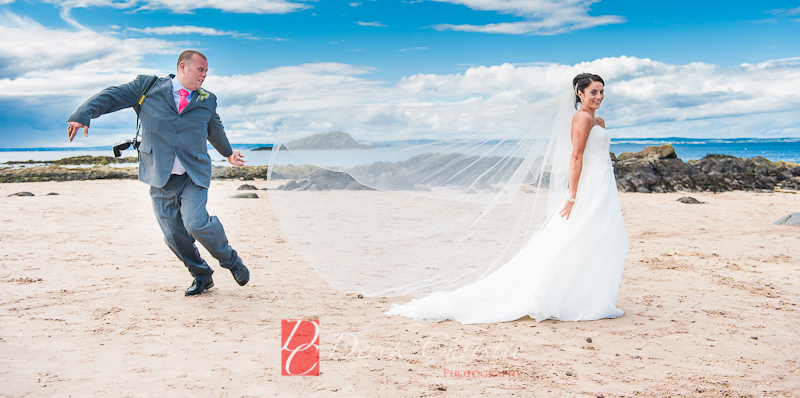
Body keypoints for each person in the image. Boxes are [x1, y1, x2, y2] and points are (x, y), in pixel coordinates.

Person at [384, 73, 628, 324]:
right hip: (589, 186)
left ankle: (593, 298)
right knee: (579, 236)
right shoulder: (581, 118)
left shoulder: (599, 121)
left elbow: (598, 154)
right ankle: (562, 296)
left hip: (603, 181)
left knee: (602, 238)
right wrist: (572, 196)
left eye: (601, 92)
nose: (598, 97)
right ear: (580, 94)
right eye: (593, 92)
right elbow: (576, 158)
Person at [66, 50, 250, 296]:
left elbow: (214, 129)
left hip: (193, 174)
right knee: (173, 235)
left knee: (195, 223)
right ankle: (202, 275)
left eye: (206, 71)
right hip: (159, 175)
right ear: (183, 67)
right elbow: (112, 95)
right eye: (201, 69)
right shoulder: (147, 87)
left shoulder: (207, 99)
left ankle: (230, 259)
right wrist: (83, 114)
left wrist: (227, 153)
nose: (205, 75)